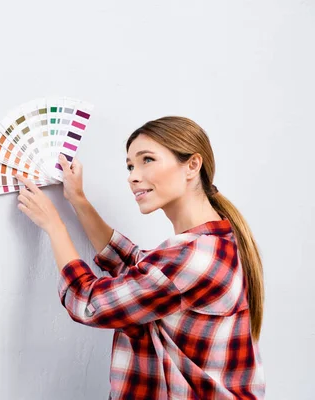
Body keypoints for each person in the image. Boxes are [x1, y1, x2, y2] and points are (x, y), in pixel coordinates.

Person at [16, 116, 266, 399]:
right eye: (131, 165)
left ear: (192, 165)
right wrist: (78, 201)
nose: (133, 176)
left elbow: (88, 302)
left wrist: (54, 226)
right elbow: (139, 268)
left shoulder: (196, 257)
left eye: (147, 160)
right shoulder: (213, 241)